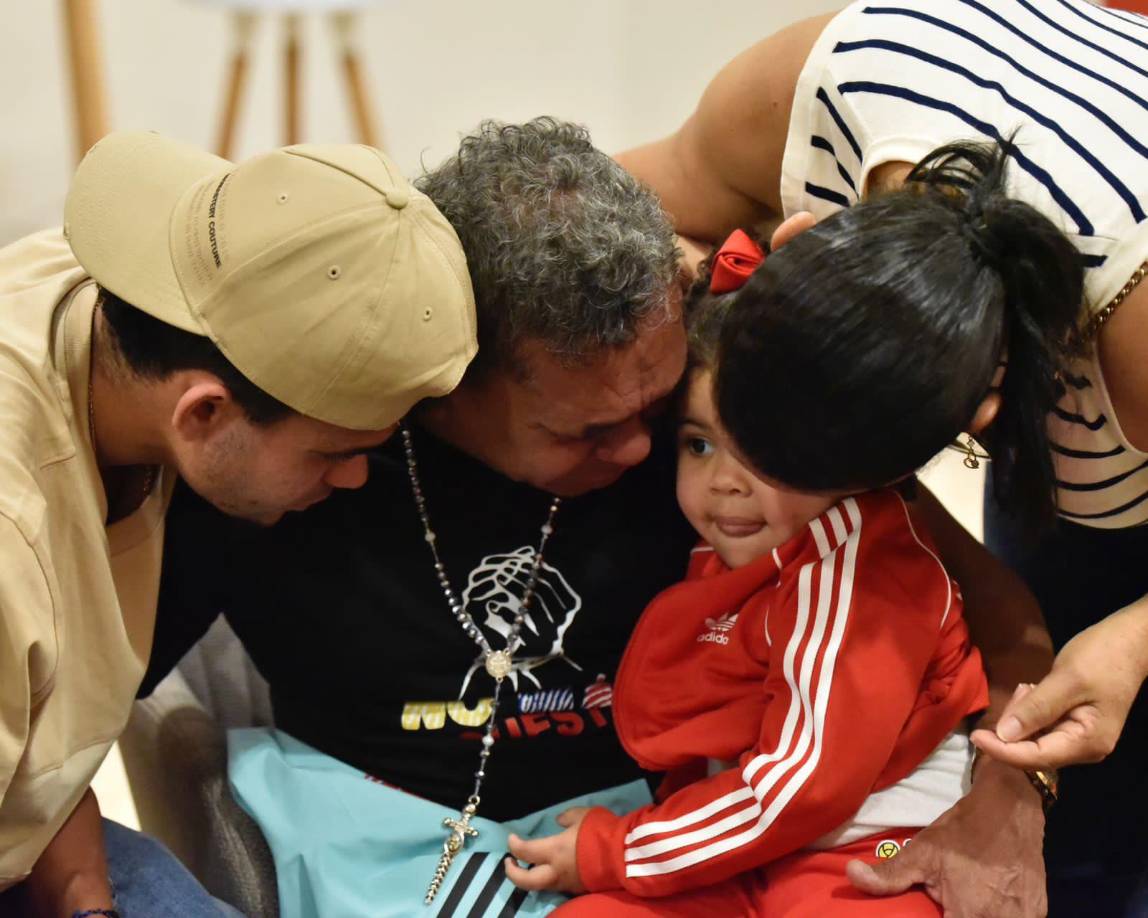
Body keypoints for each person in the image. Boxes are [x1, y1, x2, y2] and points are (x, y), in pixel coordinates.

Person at [144, 118, 1048, 917]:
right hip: (385, 836)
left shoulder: (739, 417)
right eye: (585, 431)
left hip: (686, 835)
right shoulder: (309, 453)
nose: (641, 454)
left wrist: (1009, 797)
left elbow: (989, 619)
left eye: (659, 414)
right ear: (448, 387)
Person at [616, 1, 1148, 912]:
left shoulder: (1132, 330)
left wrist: (1136, 642)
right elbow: (612, 211)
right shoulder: (831, 83)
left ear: (982, 416)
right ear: (796, 238)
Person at [0, 131, 476, 917]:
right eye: (334, 453)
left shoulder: (107, 313)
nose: (356, 479)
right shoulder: (15, 534)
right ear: (205, 412)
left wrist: (85, 893)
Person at [503, 230, 990, 916]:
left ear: (834, 450)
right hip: (743, 846)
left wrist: (617, 853)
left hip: (878, 847)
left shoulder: (854, 570)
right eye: (699, 444)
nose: (726, 484)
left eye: (761, 451)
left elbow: (804, 790)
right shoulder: (736, 541)